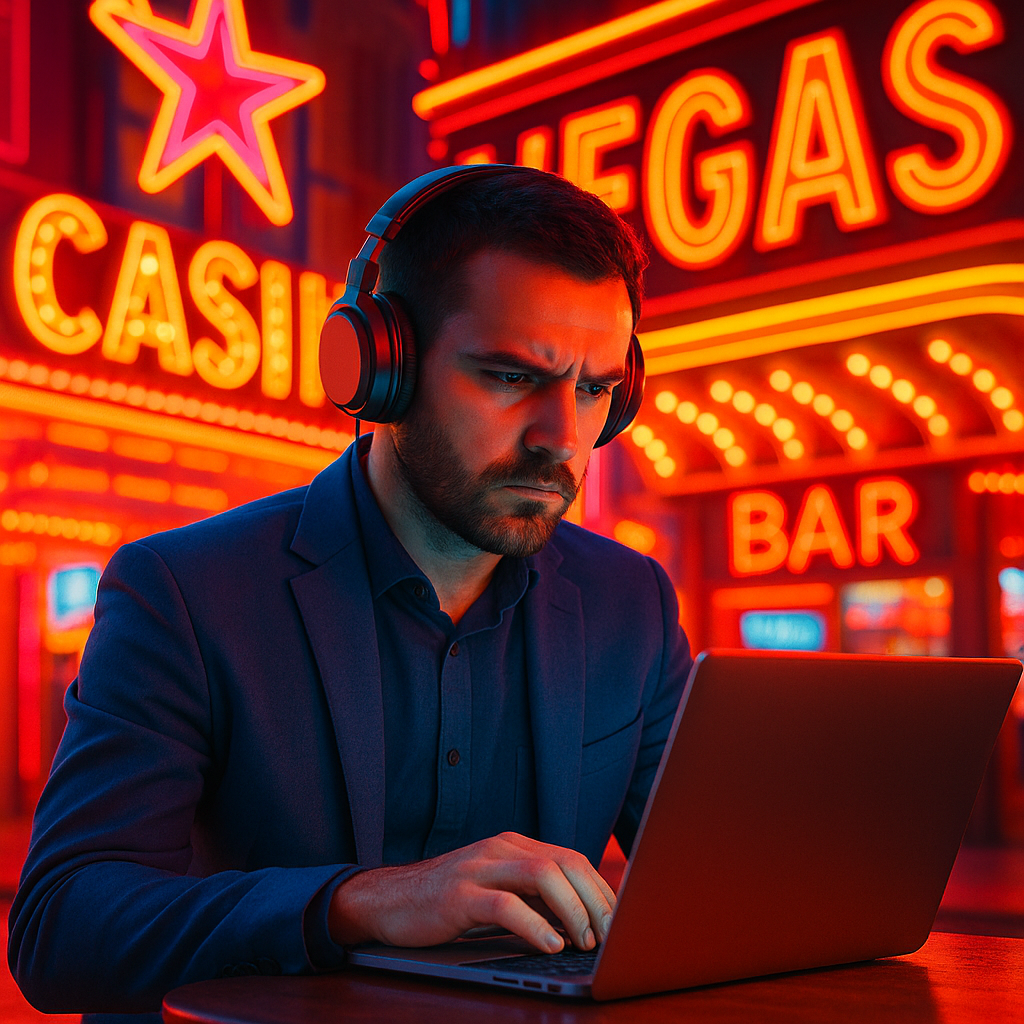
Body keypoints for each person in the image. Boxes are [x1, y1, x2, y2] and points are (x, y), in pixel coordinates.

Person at [8, 166, 693, 1021]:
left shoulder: (632, 602)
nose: (563, 439)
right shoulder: (182, 591)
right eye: (512, 377)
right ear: (380, 368)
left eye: (594, 390)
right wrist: (360, 902)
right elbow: (60, 928)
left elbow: (714, 885)